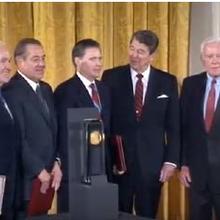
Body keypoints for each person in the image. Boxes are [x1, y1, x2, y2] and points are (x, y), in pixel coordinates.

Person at [102, 30, 180, 218]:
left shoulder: (167, 81)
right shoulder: (111, 77)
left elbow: (174, 126)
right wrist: (107, 159)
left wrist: (170, 162)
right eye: (132, 48)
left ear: (152, 56)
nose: (133, 55)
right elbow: (106, 121)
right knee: (118, 214)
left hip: (153, 165)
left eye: (140, 51)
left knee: (147, 214)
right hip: (119, 164)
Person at [3, 38, 62, 219]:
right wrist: (38, 169)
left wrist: (57, 162)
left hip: (48, 179)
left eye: (43, 58)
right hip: (26, 181)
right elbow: (18, 138)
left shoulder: (46, 89)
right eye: (35, 59)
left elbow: (54, 131)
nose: (42, 64)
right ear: (20, 62)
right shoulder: (10, 91)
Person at [54, 38, 111, 212]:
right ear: (77, 61)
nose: (99, 64)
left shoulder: (105, 89)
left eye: (100, 58)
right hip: (75, 172)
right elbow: (61, 134)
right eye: (93, 59)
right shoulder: (65, 91)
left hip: (101, 169)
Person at [179, 37, 220, 220]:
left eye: (219, 56)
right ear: (203, 59)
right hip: (197, 173)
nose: (215, 60)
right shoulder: (190, 84)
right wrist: (184, 164)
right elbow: (183, 127)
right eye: (210, 56)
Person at [0, 42, 19, 220]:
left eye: (9, 61)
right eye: (2, 61)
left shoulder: (4, 96)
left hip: (8, 179)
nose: (8, 67)